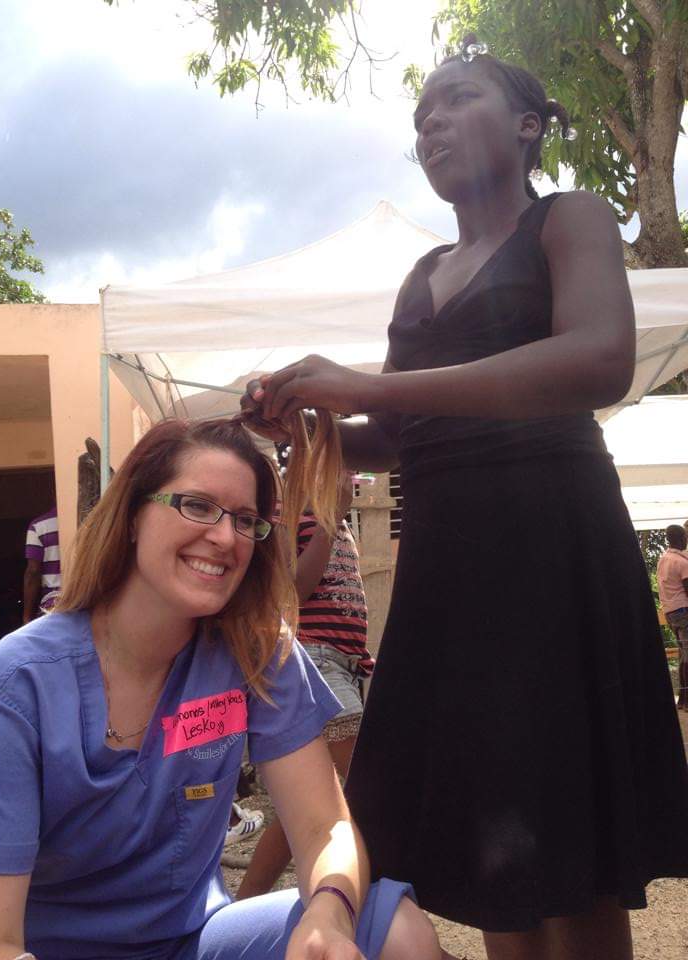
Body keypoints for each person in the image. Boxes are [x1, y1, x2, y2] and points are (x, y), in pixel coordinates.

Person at [241, 34, 688, 960]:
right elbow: (400, 435)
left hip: (553, 545)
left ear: (528, 127)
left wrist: (367, 386)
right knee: (491, 834)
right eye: (419, 118)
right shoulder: (420, 280)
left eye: (456, 99)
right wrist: (311, 427)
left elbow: (598, 359)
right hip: (450, 569)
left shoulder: (571, 221)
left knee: (570, 825)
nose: (431, 123)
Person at [0, 418, 444, 960]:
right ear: (130, 516)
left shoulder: (255, 650)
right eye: (196, 505)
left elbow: (324, 825)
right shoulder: (14, 686)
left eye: (246, 520)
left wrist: (329, 911)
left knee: (401, 934)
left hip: (195, 941)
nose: (225, 538)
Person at [237, 471, 373, 899]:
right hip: (314, 660)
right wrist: (330, 520)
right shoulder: (288, 511)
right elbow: (291, 590)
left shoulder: (336, 518)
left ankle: (249, 900)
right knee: (364, 784)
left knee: (323, 797)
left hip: (340, 664)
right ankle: (358, 894)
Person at [656, 524, 688, 710]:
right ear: (680, 538)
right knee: (687, 656)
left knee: (684, 653)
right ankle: (685, 699)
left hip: (670, 612)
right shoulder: (682, 563)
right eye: (685, 537)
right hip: (684, 611)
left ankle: (683, 699)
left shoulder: (664, 560)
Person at [23, 504, 61, 621]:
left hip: (53, 606)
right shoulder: (91, 522)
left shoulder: (38, 526)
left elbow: (33, 572)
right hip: (86, 601)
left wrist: (27, 618)